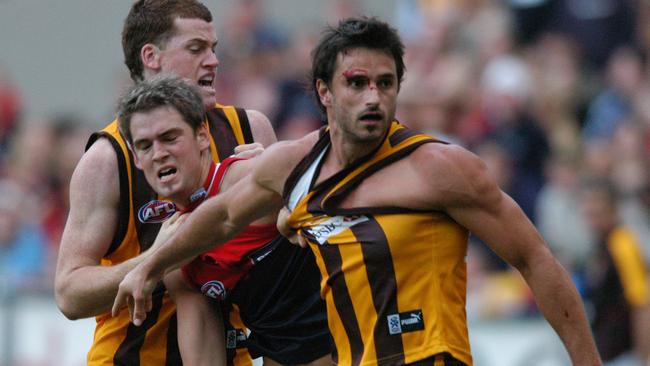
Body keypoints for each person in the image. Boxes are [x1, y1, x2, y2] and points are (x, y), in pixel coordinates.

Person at [113, 17, 602, 365]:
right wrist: (151, 267)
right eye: (357, 82)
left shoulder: (441, 169)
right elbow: (220, 219)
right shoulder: (294, 167)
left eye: (385, 83)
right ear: (325, 92)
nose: (374, 97)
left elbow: (536, 259)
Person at [54, 1, 276, 364]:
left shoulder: (250, 130)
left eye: (214, 49)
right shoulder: (107, 160)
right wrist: (157, 259)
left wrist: (277, 194)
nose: (214, 61)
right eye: (196, 49)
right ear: (151, 57)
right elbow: (69, 294)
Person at [115, 75, 330, 365]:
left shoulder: (251, 177)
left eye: (169, 138)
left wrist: (301, 206)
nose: (159, 154)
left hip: (364, 344)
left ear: (202, 136)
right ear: (137, 159)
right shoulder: (179, 263)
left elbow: (340, 151)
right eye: (145, 146)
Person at [578, 178, 650, 365]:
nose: (592, 221)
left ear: (612, 209)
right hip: (606, 351)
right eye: (589, 214)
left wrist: (642, 357)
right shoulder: (601, 244)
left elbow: (641, 303)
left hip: (625, 354)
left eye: (597, 214)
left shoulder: (623, 244)